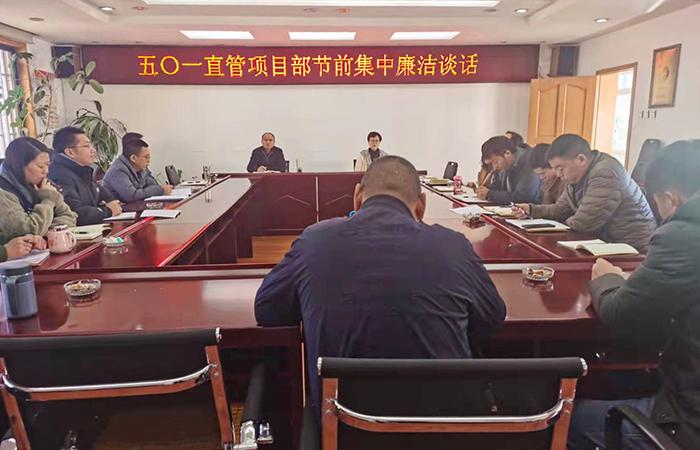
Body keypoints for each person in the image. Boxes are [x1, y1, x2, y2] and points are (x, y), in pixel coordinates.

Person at [254, 155, 506, 420]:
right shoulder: (454, 247)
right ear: (421, 205)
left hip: (342, 430)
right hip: (445, 431)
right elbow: (491, 319)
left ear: (357, 197)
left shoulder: (314, 241)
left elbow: (267, 310)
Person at [568, 141, 700, 450]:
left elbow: (622, 314)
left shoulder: (684, 234)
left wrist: (607, 278)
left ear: (670, 198)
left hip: (688, 421)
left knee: (564, 420)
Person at [515, 134, 656, 252]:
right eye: (555, 169)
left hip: (633, 247)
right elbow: (561, 209)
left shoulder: (605, 172)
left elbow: (585, 222)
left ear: (581, 159)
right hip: (608, 243)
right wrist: (531, 210)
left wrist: (559, 225)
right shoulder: (576, 176)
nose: (558, 174)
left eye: (560, 168)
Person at [0, 137, 77, 242]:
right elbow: (27, 230)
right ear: (20, 166)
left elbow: (70, 216)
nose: (46, 171)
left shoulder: (36, 183)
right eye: (40, 166)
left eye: (48, 165)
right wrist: (48, 200)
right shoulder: (3, 191)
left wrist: (46, 232)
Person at [49, 126, 122, 225]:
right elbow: (75, 213)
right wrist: (107, 211)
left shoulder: (83, 171)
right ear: (70, 152)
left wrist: (110, 205)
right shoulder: (59, 175)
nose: (93, 150)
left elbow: (108, 197)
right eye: (86, 146)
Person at [102, 138, 173, 202]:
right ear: (133, 158)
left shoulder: (140, 168)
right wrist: (160, 190)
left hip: (135, 206)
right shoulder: (117, 170)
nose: (149, 161)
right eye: (146, 157)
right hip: (121, 210)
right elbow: (132, 196)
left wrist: (157, 189)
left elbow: (153, 185)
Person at [476, 135, 542, 203]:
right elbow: (498, 187)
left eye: (496, 162)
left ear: (507, 153)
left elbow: (524, 197)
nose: (494, 167)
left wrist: (490, 194)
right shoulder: (503, 165)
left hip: (532, 208)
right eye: (491, 164)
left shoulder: (529, 160)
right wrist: (484, 190)